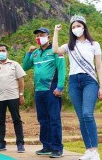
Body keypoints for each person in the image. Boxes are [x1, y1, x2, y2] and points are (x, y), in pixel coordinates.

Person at [53, 15, 102, 160]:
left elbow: (99, 67)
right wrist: (56, 32)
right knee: (81, 117)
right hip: (74, 81)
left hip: (90, 81)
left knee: (88, 114)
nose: (76, 29)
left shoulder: (94, 44)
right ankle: (88, 150)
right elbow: (55, 50)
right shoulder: (70, 46)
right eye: (73, 27)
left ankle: (95, 151)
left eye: (78, 26)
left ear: (84, 27)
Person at [23, 27, 66, 158]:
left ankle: (57, 148)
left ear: (48, 36)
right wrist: (29, 53)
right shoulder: (35, 53)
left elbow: (62, 68)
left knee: (54, 119)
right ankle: (46, 146)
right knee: (43, 120)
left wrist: (59, 87)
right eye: (37, 35)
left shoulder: (55, 50)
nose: (39, 37)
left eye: (42, 35)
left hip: (51, 89)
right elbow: (25, 67)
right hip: (38, 90)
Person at [0, 44, 26, 153]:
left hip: (13, 96)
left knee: (17, 119)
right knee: (0, 120)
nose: (1, 52)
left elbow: (21, 80)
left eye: (3, 50)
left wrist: (21, 95)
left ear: (7, 52)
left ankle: (20, 144)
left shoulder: (14, 64)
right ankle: (1, 143)